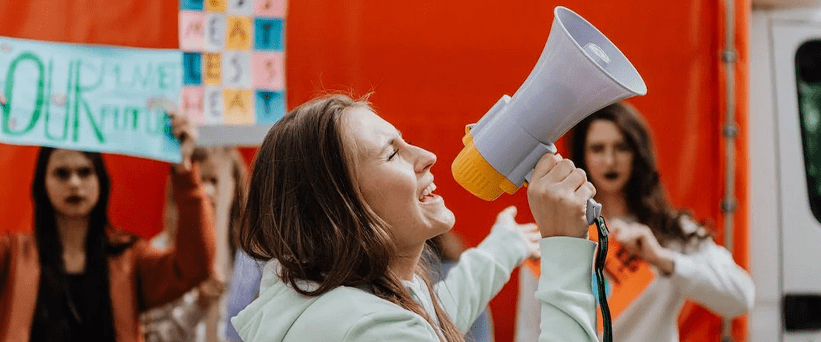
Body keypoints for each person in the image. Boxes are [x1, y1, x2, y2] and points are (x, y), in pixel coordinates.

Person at [230, 94, 601, 341]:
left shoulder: (312, 291)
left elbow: (434, 315)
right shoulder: (375, 330)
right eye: (392, 154)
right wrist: (565, 248)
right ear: (337, 207)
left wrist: (503, 247)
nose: (427, 156)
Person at [516, 101, 755, 342]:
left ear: (638, 153)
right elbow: (529, 331)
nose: (610, 160)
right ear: (582, 156)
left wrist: (663, 259)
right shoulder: (558, 234)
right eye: (598, 149)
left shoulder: (671, 231)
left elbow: (741, 297)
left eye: (621, 147)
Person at [0, 111, 216, 341]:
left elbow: (196, 266)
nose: (74, 183)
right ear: (42, 183)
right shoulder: (11, 254)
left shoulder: (129, 257)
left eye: (85, 172)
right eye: (61, 173)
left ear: (100, 181)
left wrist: (184, 169)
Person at [141, 147, 248, 342]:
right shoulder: (158, 252)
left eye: (215, 180)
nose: (207, 191)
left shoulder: (250, 258)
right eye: (199, 179)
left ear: (233, 186)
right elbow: (151, 338)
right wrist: (197, 305)